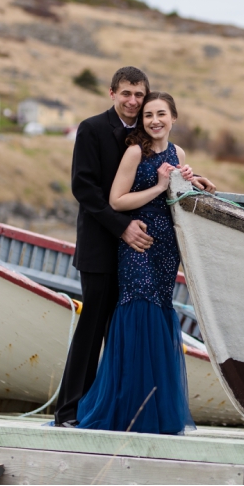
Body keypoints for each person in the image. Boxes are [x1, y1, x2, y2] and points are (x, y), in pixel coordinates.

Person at [53, 68, 214, 427]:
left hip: (149, 247)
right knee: (93, 326)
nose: (132, 101)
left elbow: (165, 166)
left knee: (127, 328)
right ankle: (70, 410)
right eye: (126, 94)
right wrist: (122, 227)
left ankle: (126, 405)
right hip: (102, 243)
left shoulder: (148, 134)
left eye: (139, 95)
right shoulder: (92, 129)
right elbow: (85, 190)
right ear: (112, 93)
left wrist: (193, 178)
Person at [75, 92, 196, 433]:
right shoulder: (134, 152)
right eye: (148, 115)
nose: (154, 120)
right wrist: (159, 186)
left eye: (161, 114)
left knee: (159, 314)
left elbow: (182, 196)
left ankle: (153, 411)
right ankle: (125, 409)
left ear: (174, 118)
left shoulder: (179, 153)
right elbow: (117, 200)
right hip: (137, 245)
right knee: (136, 314)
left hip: (165, 249)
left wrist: (196, 181)